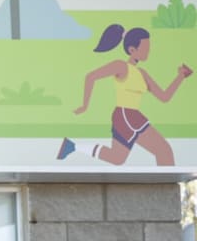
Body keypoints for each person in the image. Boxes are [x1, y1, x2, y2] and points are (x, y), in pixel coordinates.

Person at [57, 23, 191, 166]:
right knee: (164, 151)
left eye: (149, 48)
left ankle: (71, 146)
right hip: (126, 115)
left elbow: (164, 97)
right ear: (132, 49)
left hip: (129, 116)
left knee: (117, 158)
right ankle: (165, 187)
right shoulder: (121, 66)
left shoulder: (142, 74)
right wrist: (85, 105)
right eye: (145, 48)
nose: (148, 51)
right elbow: (91, 77)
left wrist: (180, 76)